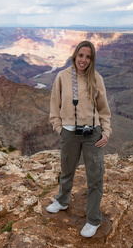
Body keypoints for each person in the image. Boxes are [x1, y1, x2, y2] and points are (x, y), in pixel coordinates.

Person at [46, 40, 112, 238]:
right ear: (75, 55)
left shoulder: (96, 79)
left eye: (88, 57)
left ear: (92, 60)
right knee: (67, 169)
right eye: (80, 55)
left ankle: (93, 219)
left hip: (92, 134)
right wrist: (59, 128)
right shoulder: (62, 77)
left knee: (95, 176)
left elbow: (103, 109)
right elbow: (54, 105)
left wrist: (106, 132)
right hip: (68, 132)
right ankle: (62, 200)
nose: (83, 60)